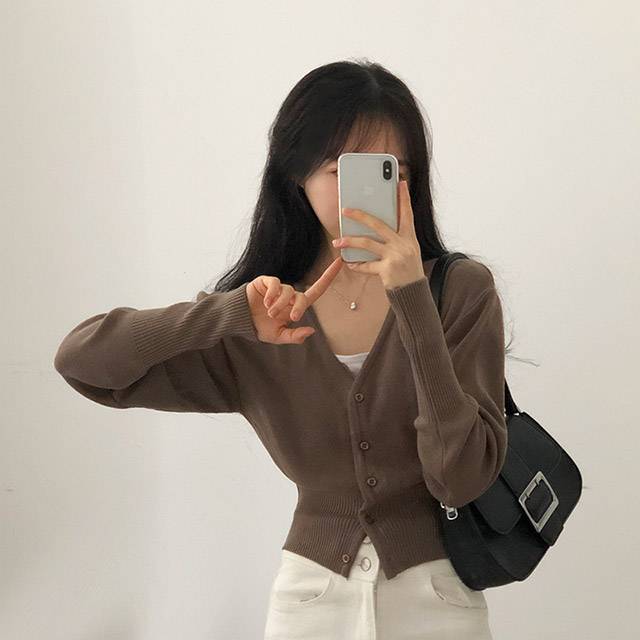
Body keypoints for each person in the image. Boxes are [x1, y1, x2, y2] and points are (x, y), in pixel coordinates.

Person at [54, 58, 510, 639]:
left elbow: (460, 478)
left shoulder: (459, 291)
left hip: (439, 603)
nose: (371, 190)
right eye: (343, 169)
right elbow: (83, 365)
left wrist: (412, 299)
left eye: (391, 169)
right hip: (310, 604)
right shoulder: (265, 313)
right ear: (298, 172)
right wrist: (225, 315)